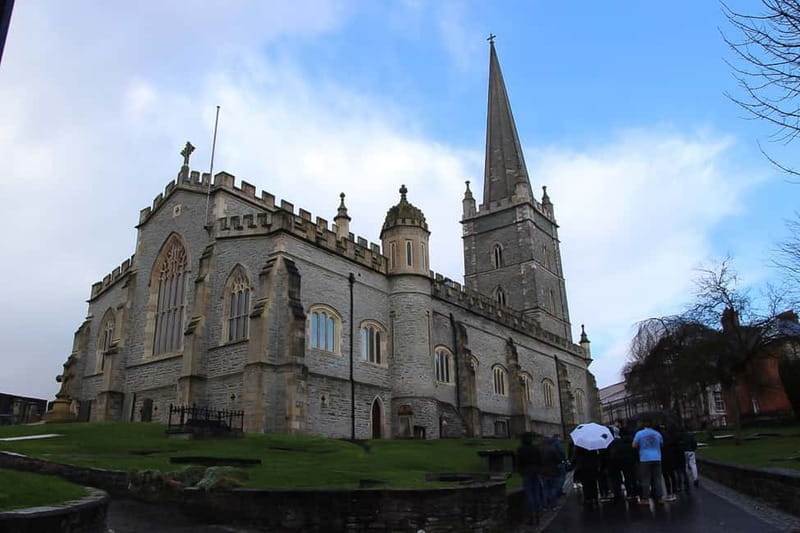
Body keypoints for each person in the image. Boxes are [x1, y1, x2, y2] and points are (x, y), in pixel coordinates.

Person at [633, 419, 674, 504]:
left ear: (644, 426)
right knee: (657, 478)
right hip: (657, 457)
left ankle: (645, 499)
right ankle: (659, 497)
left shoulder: (639, 434)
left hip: (644, 458)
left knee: (645, 479)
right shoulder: (657, 434)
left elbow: (634, 445)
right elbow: (662, 444)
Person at [516, 432, 543, 525]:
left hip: (527, 473)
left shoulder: (521, 449)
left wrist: (520, 471)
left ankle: (531, 517)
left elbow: (519, 462)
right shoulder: (535, 448)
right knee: (536, 494)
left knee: (529, 495)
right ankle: (538, 515)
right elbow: (540, 460)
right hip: (536, 472)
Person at [539, 435, 563, 510]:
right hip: (553, 471)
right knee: (553, 488)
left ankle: (545, 506)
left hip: (543, 472)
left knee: (545, 489)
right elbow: (558, 459)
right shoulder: (552, 449)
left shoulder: (539, 449)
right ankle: (554, 505)